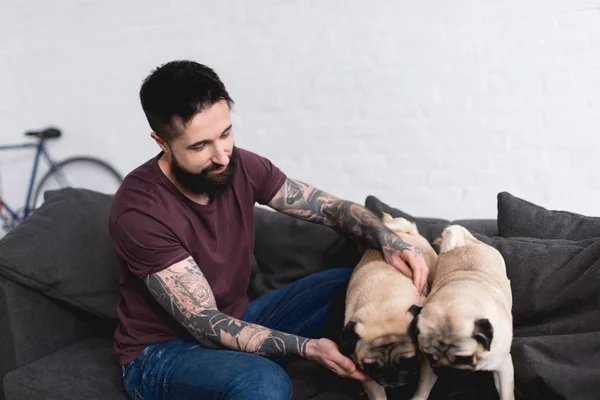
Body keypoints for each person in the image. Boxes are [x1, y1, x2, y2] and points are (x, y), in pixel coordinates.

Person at [109, 60, 429, 400]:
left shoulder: (240, 165)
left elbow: (328, 208)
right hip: (163, 353)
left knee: (349, 284)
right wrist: (308, 348)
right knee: (264, 383)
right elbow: (204, 324)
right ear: (161, 142)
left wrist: (390, 240)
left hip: (240, 317)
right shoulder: (139, 210)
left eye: (226, 134)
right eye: (200, 146)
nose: (222, 155)